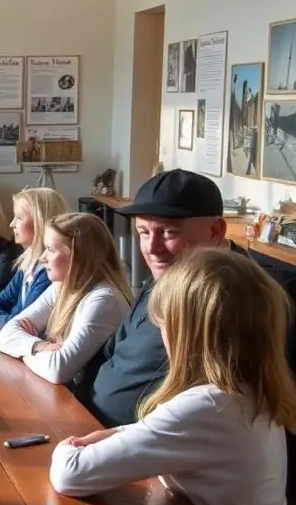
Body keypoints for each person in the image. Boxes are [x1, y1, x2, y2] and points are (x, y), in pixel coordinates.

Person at [50, 248, 296, 505]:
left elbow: (71, 473)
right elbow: (168, 435)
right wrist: (117, 435)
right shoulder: (251, 392)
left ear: (186, 334)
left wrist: (66, 446)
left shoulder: (208, 406)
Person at [74, 169, 232, 428]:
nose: (151, 248)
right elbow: (112, 350)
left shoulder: (231, 299)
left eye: (169, 233)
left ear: (215, 230)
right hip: (87, 422)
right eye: (144, 232)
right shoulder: (159, 280)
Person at [0, 213, 132, 386]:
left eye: (51, 250)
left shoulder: (104, 300)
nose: (42, 257)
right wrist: (39, 346)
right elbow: (6, 334)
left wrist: (23, 351)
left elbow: (58, 369)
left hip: (91, 408)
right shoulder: (61, 287)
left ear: (78, 256)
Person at [0, 187, 68, 331]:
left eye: (19, 217)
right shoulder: (29, 264)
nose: (12, 224)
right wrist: (4, 322)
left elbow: (24, 323)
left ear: (40, 222)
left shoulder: (50, 272)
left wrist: (0, 322)